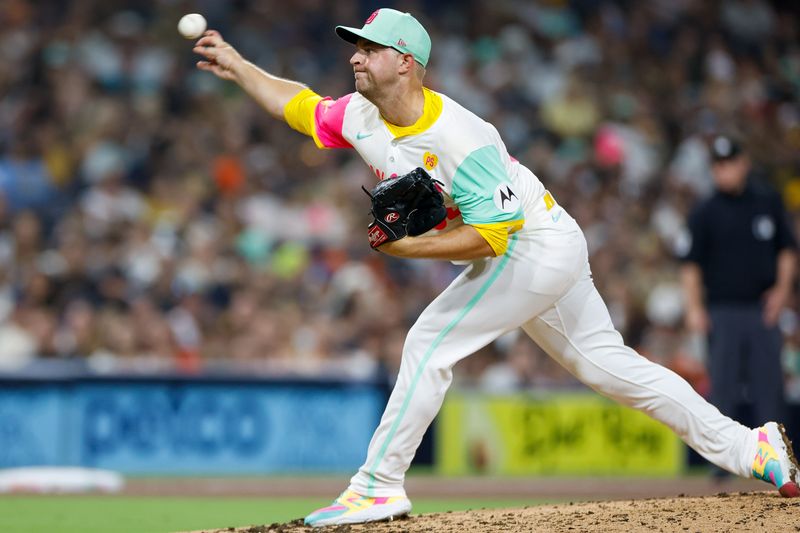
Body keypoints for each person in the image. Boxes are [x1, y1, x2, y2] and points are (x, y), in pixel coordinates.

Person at [192, 8, 800, 527]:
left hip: (533, 245)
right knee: (616, 371)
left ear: (406, 62)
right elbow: (298, 107)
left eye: (371, 48)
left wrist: (406, 250)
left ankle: (379, 484)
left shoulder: (464, 136)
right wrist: (241, 66)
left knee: (429, 342)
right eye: (356, 46)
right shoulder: (359, 115)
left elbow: (492, 238)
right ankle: (754, 447)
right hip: (542, 244)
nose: (356, 56)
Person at [681, 135, 797, 445]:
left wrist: (782, 291)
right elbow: (691, 264)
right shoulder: (704, 211)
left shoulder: (767, 200)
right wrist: (694, 307)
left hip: (763, 310)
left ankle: (776, 455)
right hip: (722, 310)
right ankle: (723, 461)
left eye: (729, 163)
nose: (724, 171)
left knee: (769, 387)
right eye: (718, 166)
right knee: (723, 388)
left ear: (743, 163)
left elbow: (787, 249)